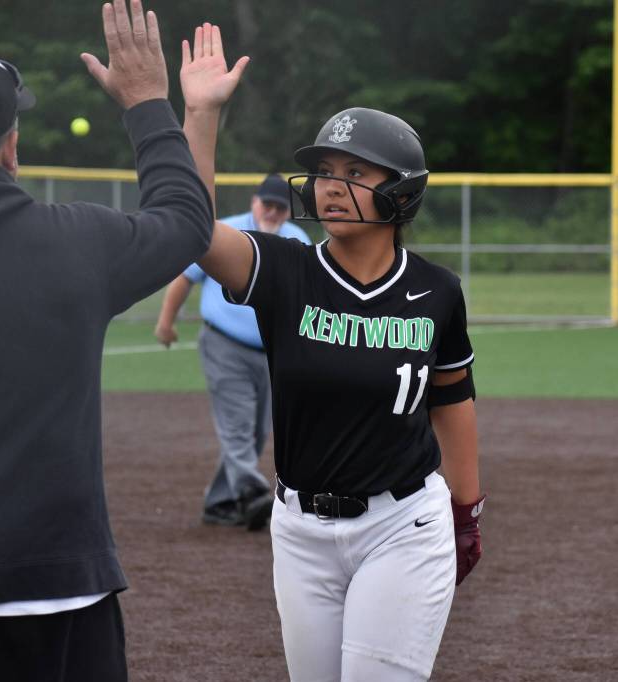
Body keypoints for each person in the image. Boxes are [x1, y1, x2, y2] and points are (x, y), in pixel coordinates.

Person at [0, 1, 231, 679]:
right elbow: (186, 218)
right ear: (11, 146)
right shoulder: (80, 244)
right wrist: (149, 101)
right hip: (63, 601)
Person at [177, 22, 485, 681]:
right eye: (323, 172)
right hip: (299, 532)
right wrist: (201, 116)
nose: (331, 185)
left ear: (402, 189)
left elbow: (452, 399)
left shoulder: (436, 291)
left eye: (355, 172)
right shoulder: (287, 271)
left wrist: (467, 510)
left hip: (402, 526)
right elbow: (197, 235)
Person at [154, 174, 311, 531]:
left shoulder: (296, 240)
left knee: (256, 431)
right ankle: (254, 493)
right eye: (267, 204)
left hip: (272, 353)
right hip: (224, 344)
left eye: (280, 207)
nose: (272, 211)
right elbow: (186, 277)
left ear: (287, 211)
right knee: (238, 424)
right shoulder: (225, 233)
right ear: (254, 202)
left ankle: (221, 502)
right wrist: (166, 322)